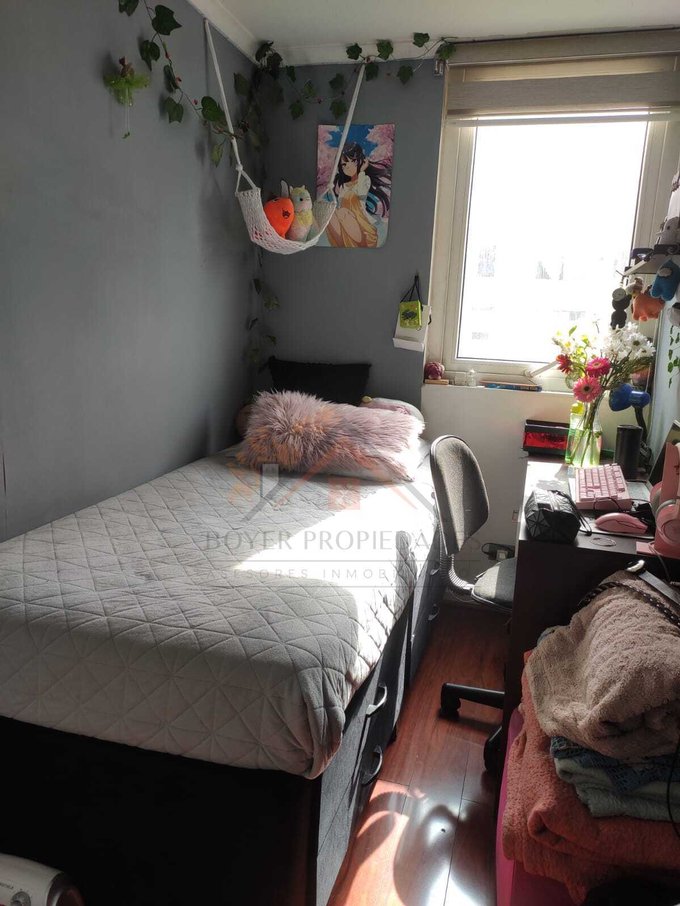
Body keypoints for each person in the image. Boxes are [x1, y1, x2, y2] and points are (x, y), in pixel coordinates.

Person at [325, 142, 391, 248]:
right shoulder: (344, 186)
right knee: (332, 214)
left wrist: (361, 171)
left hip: (361, 223)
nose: (349, 166)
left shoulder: (364, 179)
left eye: (353, 161)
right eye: (344, 164)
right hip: (345, 223)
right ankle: (343, 243)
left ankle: (358, 242)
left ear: (360, 161)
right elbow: (340, 205)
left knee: (343, 213)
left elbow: (361, 195)